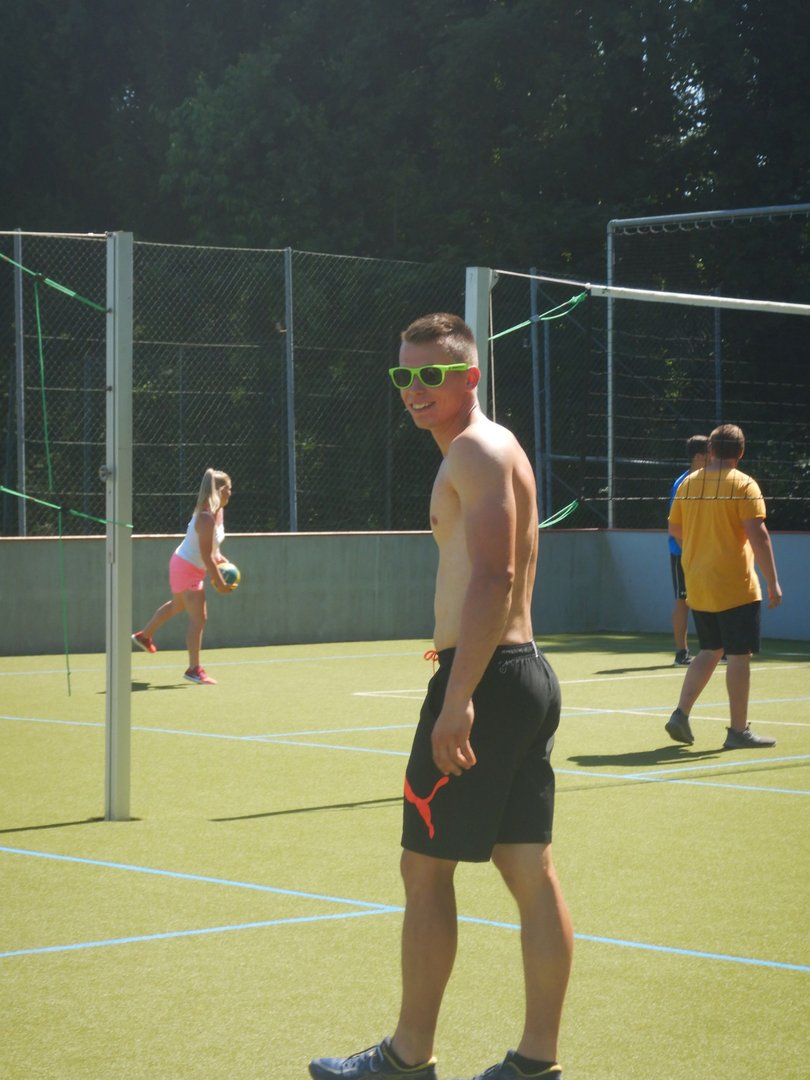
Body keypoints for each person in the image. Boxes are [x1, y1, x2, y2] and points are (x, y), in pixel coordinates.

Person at [309, 315, 572, 1080]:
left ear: (470, 377)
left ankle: (406, 1057)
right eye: (404, 375)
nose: (415, 389)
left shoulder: (474, 450)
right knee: (529, 871)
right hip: (519, 673)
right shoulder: (497, 448)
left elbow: (495, 577)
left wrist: (458, 698)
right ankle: (536, 1062)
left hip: (486, 677)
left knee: (424, 870)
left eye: (431, 374)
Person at [665, 424, 782, 749]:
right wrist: (772, 581)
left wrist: (701, 549)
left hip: (699, 582)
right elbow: (758, 535)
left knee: (710, 649)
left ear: (711, 450)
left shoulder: (689, 483)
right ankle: (738, 731)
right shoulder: (744, 484)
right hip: (735, 585)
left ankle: (680, 714)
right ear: (740, 453)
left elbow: (675, 528)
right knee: (739, 656)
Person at [132, 468, 234, 685]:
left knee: (177, 605)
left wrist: (222, 561)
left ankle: (144, 636)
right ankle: (194, 669)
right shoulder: (205, 518)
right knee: (199, 618)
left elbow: (213, 550)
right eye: (229, 489)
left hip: (186, 564)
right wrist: (219, 582)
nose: (231, 493)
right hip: (187, 567)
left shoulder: (218, 513)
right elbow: (206, 556)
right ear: (219, 490)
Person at [668, 435, 709, 666]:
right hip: (682, 553)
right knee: (683, 600)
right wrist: (690, 553)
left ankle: (716, 648)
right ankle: (681, 653)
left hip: (705, 553)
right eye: (709, 453)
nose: (714, 457)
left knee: (710, 598)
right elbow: (676, 526)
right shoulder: (682, 484)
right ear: (698, 456)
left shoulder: (711, 481)